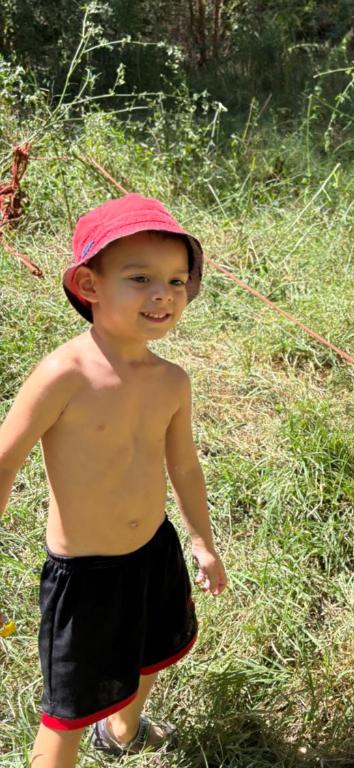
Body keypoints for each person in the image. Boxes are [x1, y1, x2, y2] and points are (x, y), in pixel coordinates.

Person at [0, 194, 227, 766]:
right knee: (66, 713)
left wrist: (200, 539)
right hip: (85, 576)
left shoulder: (172, 380)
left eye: (178, 280)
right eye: (140, 277)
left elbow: (184, 466)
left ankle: (123, 730)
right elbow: (6, 458)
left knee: (151, 654)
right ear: (90, 284)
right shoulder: (64, 374)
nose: (164, 294)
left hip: (153, 551)